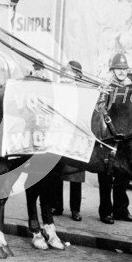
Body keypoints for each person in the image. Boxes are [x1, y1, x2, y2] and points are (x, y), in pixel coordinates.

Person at [98, 53, 132, 224]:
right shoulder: (106, 86)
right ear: (112, 70)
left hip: (124, 135)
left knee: (122, 175)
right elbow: (99, 107)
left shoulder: (130, 87)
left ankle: (121, 209)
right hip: (108, 134)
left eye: (124, 69)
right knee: (105, 173)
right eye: (118, 69)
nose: (121, 72)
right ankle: (105, 211)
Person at [51, 60, 85, 221]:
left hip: (77, 136)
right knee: (57, 172)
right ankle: (57, 205)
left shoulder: (83, 92)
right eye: (66, 73)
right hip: (61, 135)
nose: (69, 76)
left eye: (72, 73)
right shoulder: (59, 90)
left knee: (76, 174)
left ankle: (75, 209)